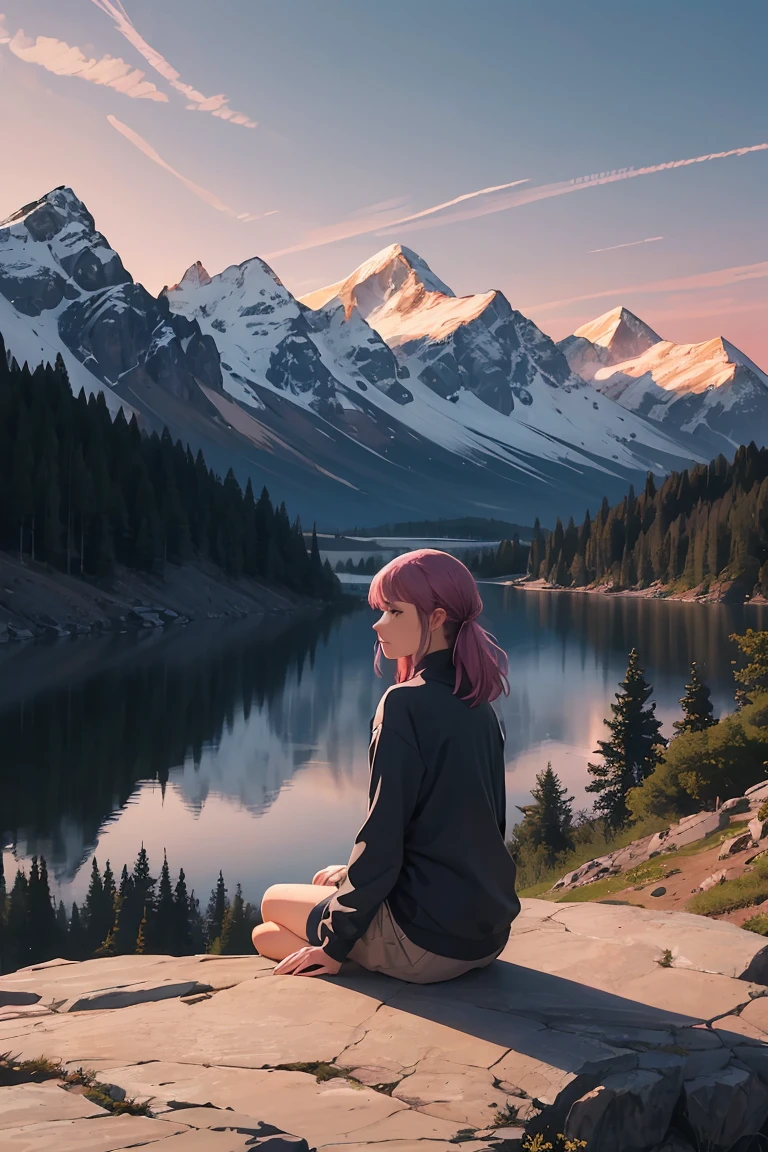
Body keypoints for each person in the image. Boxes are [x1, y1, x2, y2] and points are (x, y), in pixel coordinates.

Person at [251, 547, 520, 983]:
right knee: (325, 885)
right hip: (484, 936)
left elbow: (382, 834)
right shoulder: (477, 701)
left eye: (394, 612)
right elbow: (476, 826)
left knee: (268, 919)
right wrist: (350, 880)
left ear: (435, 618)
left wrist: (336, 945)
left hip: (427, 942)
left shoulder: (403, 703)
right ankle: (365, 938)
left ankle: (365, 960)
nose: (378, 624)